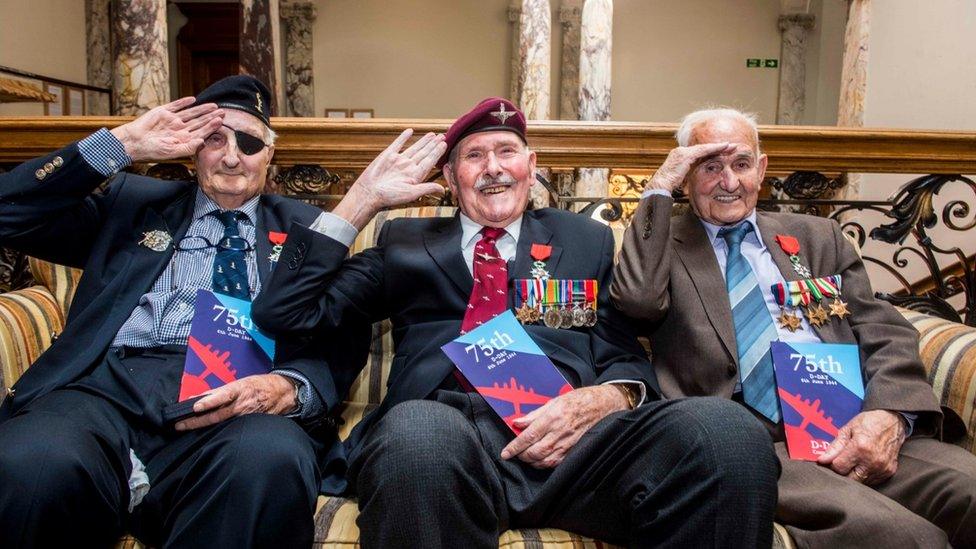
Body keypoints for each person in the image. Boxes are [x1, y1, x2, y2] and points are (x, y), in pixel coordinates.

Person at [251, 97, 779, 548]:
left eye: (506, 152)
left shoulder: (584, 239)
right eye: (474, 156)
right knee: (417, 435)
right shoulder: (403, 243)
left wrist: (608, 398)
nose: (493, 168)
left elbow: (621, 351)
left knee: (725, 433)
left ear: (531, 163)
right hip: (447, 436)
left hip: (578, 445)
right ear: (451, 181)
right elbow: (286, 314)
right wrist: (362, 201)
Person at [0, 75, 370, 548]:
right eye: (214, 139)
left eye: (250, 142)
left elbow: (340, 333)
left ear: (270, 154)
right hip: (104, 391)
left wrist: (289, 386)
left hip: (235, 399)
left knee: (268, 458)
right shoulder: (130, 203)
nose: (232, 156)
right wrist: (120, 145)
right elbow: (9, 212)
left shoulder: (309, 228)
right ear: (191, 150)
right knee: (31, 460)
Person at [610, 107, 976, 548]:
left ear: (762, 170)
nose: (729, 182)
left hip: (854, 417)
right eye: (710, 167)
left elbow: (884, 330)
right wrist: (658, 188)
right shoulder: (663, 245)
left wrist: (890, 414)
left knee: (969, 492)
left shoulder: (818, 237)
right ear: (686, 175)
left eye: (741, 164)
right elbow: (637, 300)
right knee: (905, 538)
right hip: (762, 444)